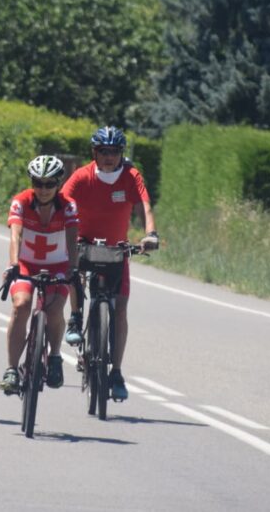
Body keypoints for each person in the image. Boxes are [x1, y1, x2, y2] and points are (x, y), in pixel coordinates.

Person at [60, 126, 158, 401]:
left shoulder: (130, 176)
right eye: (104, 151)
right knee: (74, 271)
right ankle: (76, 318)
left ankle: (116, 371)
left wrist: (150, 234)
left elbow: (144, 206)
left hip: (116, 249)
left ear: (121, 154)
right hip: (84, 242)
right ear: (94, 152)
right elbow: (63, 203)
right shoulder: (82, 176)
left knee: (121, 308)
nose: (109, 157)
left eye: (114, 152)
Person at [0, 155, 79, 395]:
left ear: (58, 184)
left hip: (58, 266)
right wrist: (13, 265)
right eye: (38, 183)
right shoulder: (21, 201)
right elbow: (16, 236)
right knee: (21, 305)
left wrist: (73, 270)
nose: (43, 189)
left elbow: (73, 241)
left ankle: (55, 356)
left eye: (49, 184)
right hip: (25, 264)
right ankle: (12, 368)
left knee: (54, 310)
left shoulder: (68, 205)